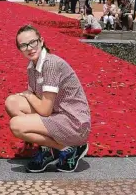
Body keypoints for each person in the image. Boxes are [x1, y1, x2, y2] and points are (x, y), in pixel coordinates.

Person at [5, 25, 90, 173]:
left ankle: (65, 148)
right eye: (23, 45)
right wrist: (28, 95)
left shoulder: (50, 64)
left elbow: (44, 110)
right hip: (57, 115)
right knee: (12, 102)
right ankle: (48, 147)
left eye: (33, 42)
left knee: (16, 125)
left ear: (41, 41)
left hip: (73, 122)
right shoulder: (32, 65)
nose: (29, 48)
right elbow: (39, 101)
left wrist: (28, 94)